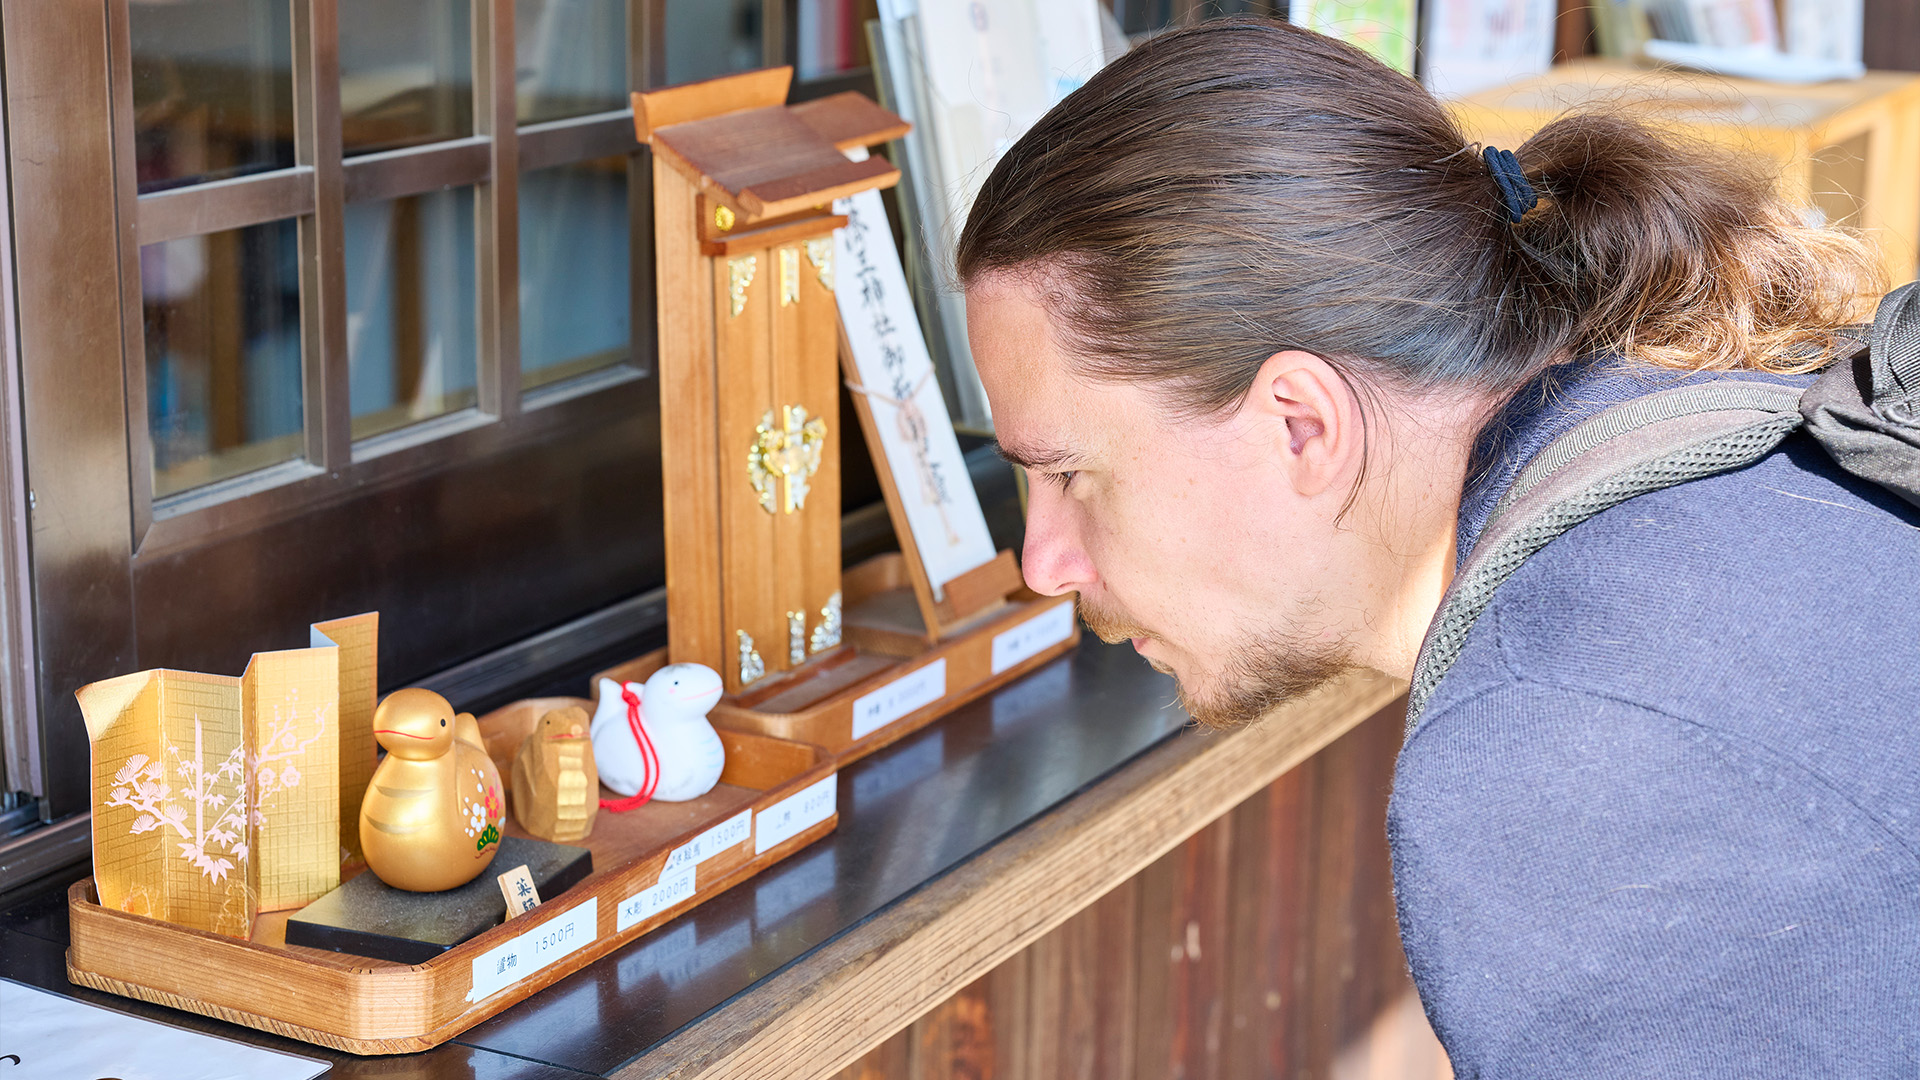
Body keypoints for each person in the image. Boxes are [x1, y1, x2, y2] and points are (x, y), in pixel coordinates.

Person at [956, 17, 1919, 1078]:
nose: (1043, 563)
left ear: (1301, 426)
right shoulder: (1705, 441)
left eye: (1067, 475)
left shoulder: (1572, 747)